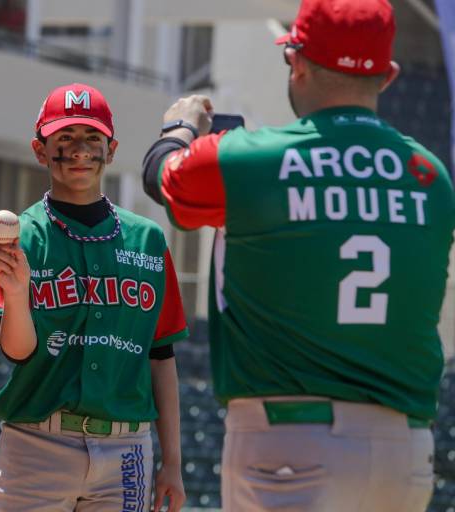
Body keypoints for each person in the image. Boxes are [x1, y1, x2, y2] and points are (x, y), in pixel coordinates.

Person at [141, 0, 454, 510]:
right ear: (388, 75)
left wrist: (180, 126)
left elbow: (162, 176)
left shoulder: (251, 158)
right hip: (406, 452)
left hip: (290, 440)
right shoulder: (431, 177)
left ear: (299, 61)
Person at [0, 83, 188, 511]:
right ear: (41, 150)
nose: (79, 150)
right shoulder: (21, 236)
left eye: (92, 138)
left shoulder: (147, 240)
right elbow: (17, 351)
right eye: (65, 139)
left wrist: (174, 462)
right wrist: (17, 294)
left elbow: (161, 355)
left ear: (111, 150)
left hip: (127, 449)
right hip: (38, 442)